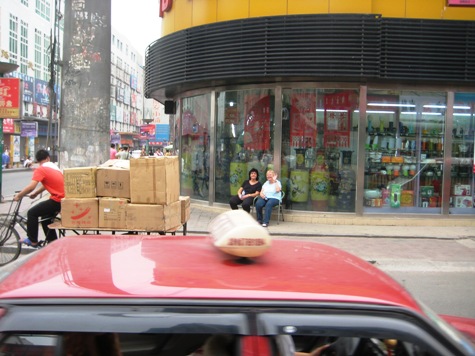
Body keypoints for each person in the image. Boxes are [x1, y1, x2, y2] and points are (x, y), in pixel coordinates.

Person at [14, 149, 64, 248]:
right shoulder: (54, 167)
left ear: (37, 160)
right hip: (63, 200)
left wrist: (19, 195)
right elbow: (47, 184)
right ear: (48, 158)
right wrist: (36, 193)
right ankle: (53, 243)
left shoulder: (41, 169)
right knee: (45, 218)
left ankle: (32, 240)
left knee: (32, 213)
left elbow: (31, 186)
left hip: (57, 199)